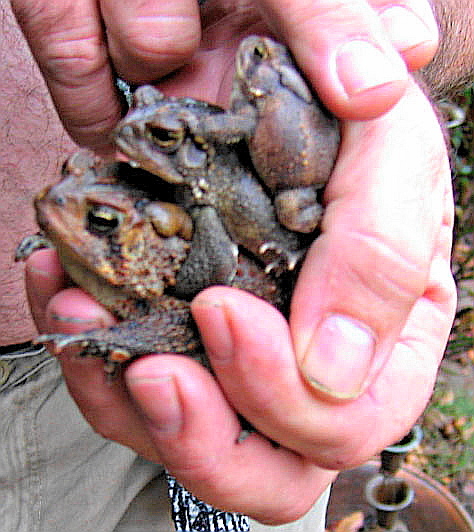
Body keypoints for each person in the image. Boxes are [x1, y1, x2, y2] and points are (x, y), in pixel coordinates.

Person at [1, 0, 471, 530]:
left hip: (228, 366)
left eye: (101, 218)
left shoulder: (196, 221)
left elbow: (196, 309)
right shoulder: (179, 191)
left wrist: (367, 53)